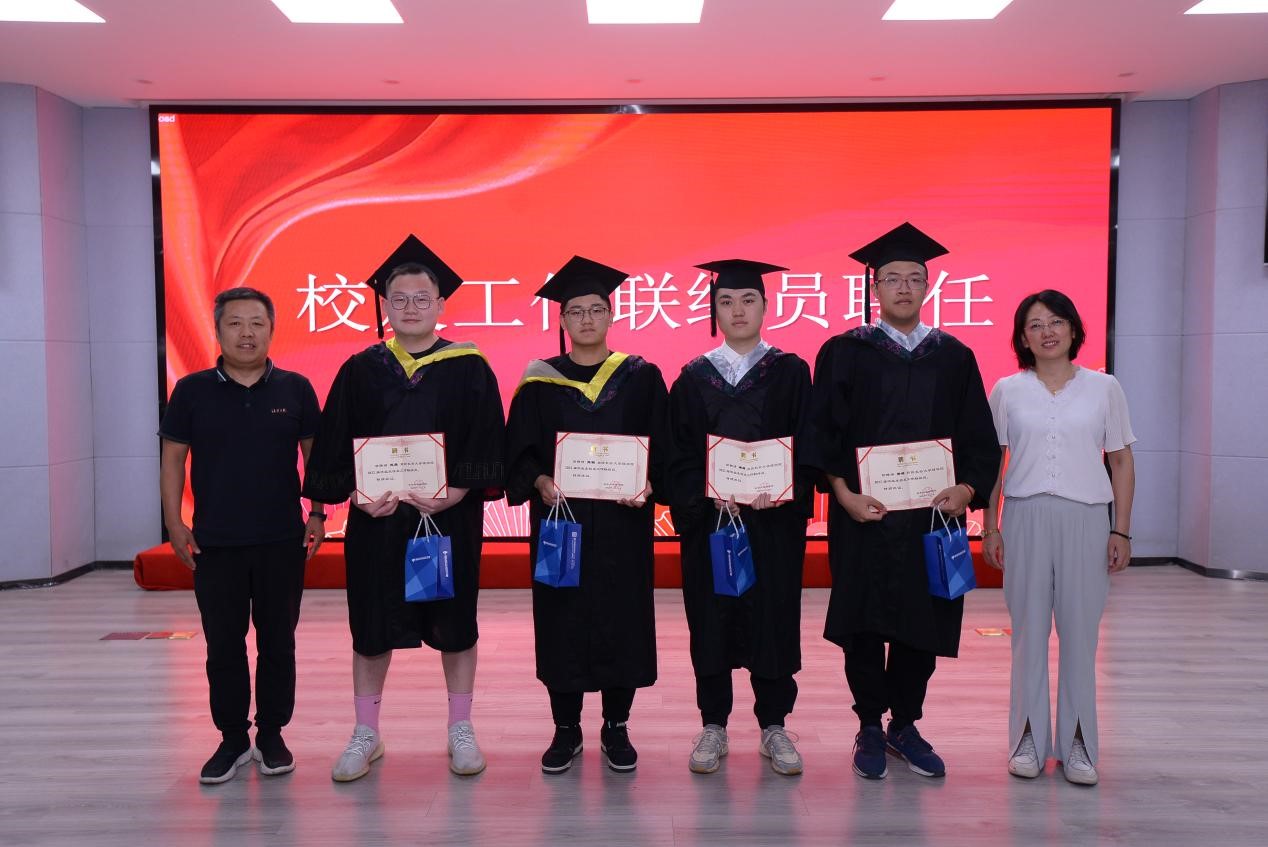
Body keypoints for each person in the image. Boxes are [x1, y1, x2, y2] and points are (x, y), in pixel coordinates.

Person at [302, 235, 506, 781]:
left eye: (422, 298)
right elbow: (335, 440)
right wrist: (355, 496)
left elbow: (487, 436)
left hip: (448, 518)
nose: (411, 307)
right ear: (384, 305)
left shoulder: (469, 367)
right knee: (371, 624)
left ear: (440, 305)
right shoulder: (360, 368)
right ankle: (366, 732)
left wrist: (459, 491)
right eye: (400, 299)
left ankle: (460, 727)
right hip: (379, 521)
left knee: (455, 622)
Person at [804, 222, 1001, 780]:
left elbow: (978, 436)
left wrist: (967, 489)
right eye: (892, 278)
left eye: (915, 278)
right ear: (875, 287)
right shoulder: (845, 352)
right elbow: (824, 432)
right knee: (863, 622)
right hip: (864, 516)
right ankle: (870, 724)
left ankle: (905, 724)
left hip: (933, 520)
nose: (904, 287)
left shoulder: (954, 356)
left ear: (928, 285)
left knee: (924, 622)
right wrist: (843, 494)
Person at [505, 255, 669, 774]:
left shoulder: (641, 378)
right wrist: (540, 481)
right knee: (562, 619)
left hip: (623, 525)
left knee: (623, 617)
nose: (587, 319)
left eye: (596, 309)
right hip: (561, 525)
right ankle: (566, 728)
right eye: (576, 311)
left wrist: (649, 483)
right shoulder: (539, 382)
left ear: (611, 315)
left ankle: (616, 725)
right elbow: (520, 452)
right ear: (561, 319)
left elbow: (665, 447)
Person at [159, 287, 325, 784]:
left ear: (272, 330)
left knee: (278, 642)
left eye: (257, 323)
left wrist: (318, 512)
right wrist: (174, 523)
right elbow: (173, 459)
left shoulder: (296, 388)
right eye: (235, 323)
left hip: (282, 540)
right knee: (223, 644)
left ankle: (271, 734)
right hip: (215, 542)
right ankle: (232, 738)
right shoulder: (191, 391)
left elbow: (313, 457)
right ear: (217, 331)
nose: (246, 333)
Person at [666, 258, 814, 776]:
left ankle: (774, 725)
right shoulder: (692, 378)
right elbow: (677, 456)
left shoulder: (791, 372)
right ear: (714, 310)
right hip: (712, 525)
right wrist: (705, 496)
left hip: (773, 524)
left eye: (748, 300)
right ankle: (714, 724)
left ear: (766, 307)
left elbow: (807, 446)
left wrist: (785, 490)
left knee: (774, 616)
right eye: (726, 301)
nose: (737, 310)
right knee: (711, 619)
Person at [982, 290, 1135, 786]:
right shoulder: (1007, 390)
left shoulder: (1104, 387)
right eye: (1035, 325)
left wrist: (1121, 528)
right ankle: (1026, 739)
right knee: (1028, 634)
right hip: (1024, 517)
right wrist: (991, 525)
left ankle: (1079, 745)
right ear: (1022, 338)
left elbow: (1121, 460)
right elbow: (992, 465)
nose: (1047, 332)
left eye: (1056, 321)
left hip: (1086, 518)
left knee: (1080, 636)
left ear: (1073, 329)